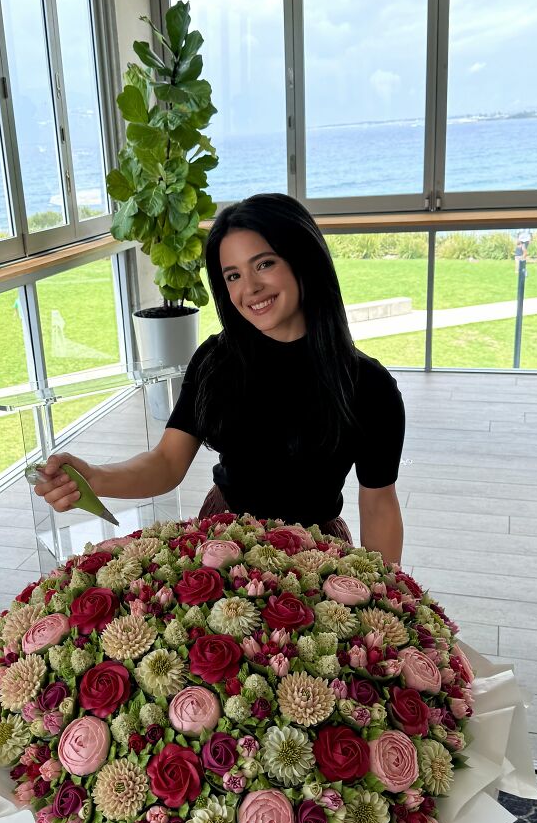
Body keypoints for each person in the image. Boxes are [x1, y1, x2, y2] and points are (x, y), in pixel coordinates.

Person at [34, 194, 406, 563]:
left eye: (264, 264)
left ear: (302, 259)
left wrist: (390, 598)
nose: (250, 288)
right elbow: (166, 463)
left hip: (313, 552)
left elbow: (378, 506)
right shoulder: (216, 359)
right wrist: (93, 477)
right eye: (233, 275)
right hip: (221, 540)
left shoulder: (369, 386)